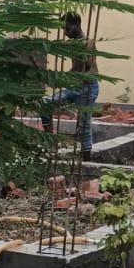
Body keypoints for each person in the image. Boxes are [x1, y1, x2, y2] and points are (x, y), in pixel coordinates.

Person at [40, 12, 99, 159]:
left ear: (77, 25)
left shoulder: (88, 43)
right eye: (63, 29)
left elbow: (91, 69)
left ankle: (86, 158)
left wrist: (80, 77)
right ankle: (52, 144)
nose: (65, 33)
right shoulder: (72, 43)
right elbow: (76, 69)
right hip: (73, 87)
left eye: (67, 28)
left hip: (88, 88)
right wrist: (61, 78)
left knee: (84, 125)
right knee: (46, 104)